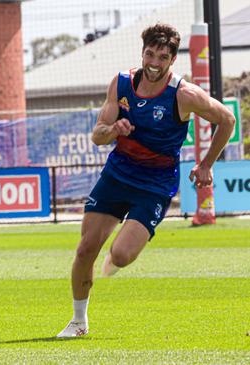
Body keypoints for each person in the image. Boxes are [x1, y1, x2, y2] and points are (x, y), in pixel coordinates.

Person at [56, 23, 236, 338]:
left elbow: (227, 120)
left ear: (172, 60)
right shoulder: (122, 83)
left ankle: (116, 253)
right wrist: (113, 130)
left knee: (122, 255)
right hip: (117, 175)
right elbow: (98, 135)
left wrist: (207, 164)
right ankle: (78, 322)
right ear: (142, 52)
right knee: (86, 249)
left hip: (155, 184)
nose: (154, 62)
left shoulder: (184, 94)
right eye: (150, 54)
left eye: (162, 57)